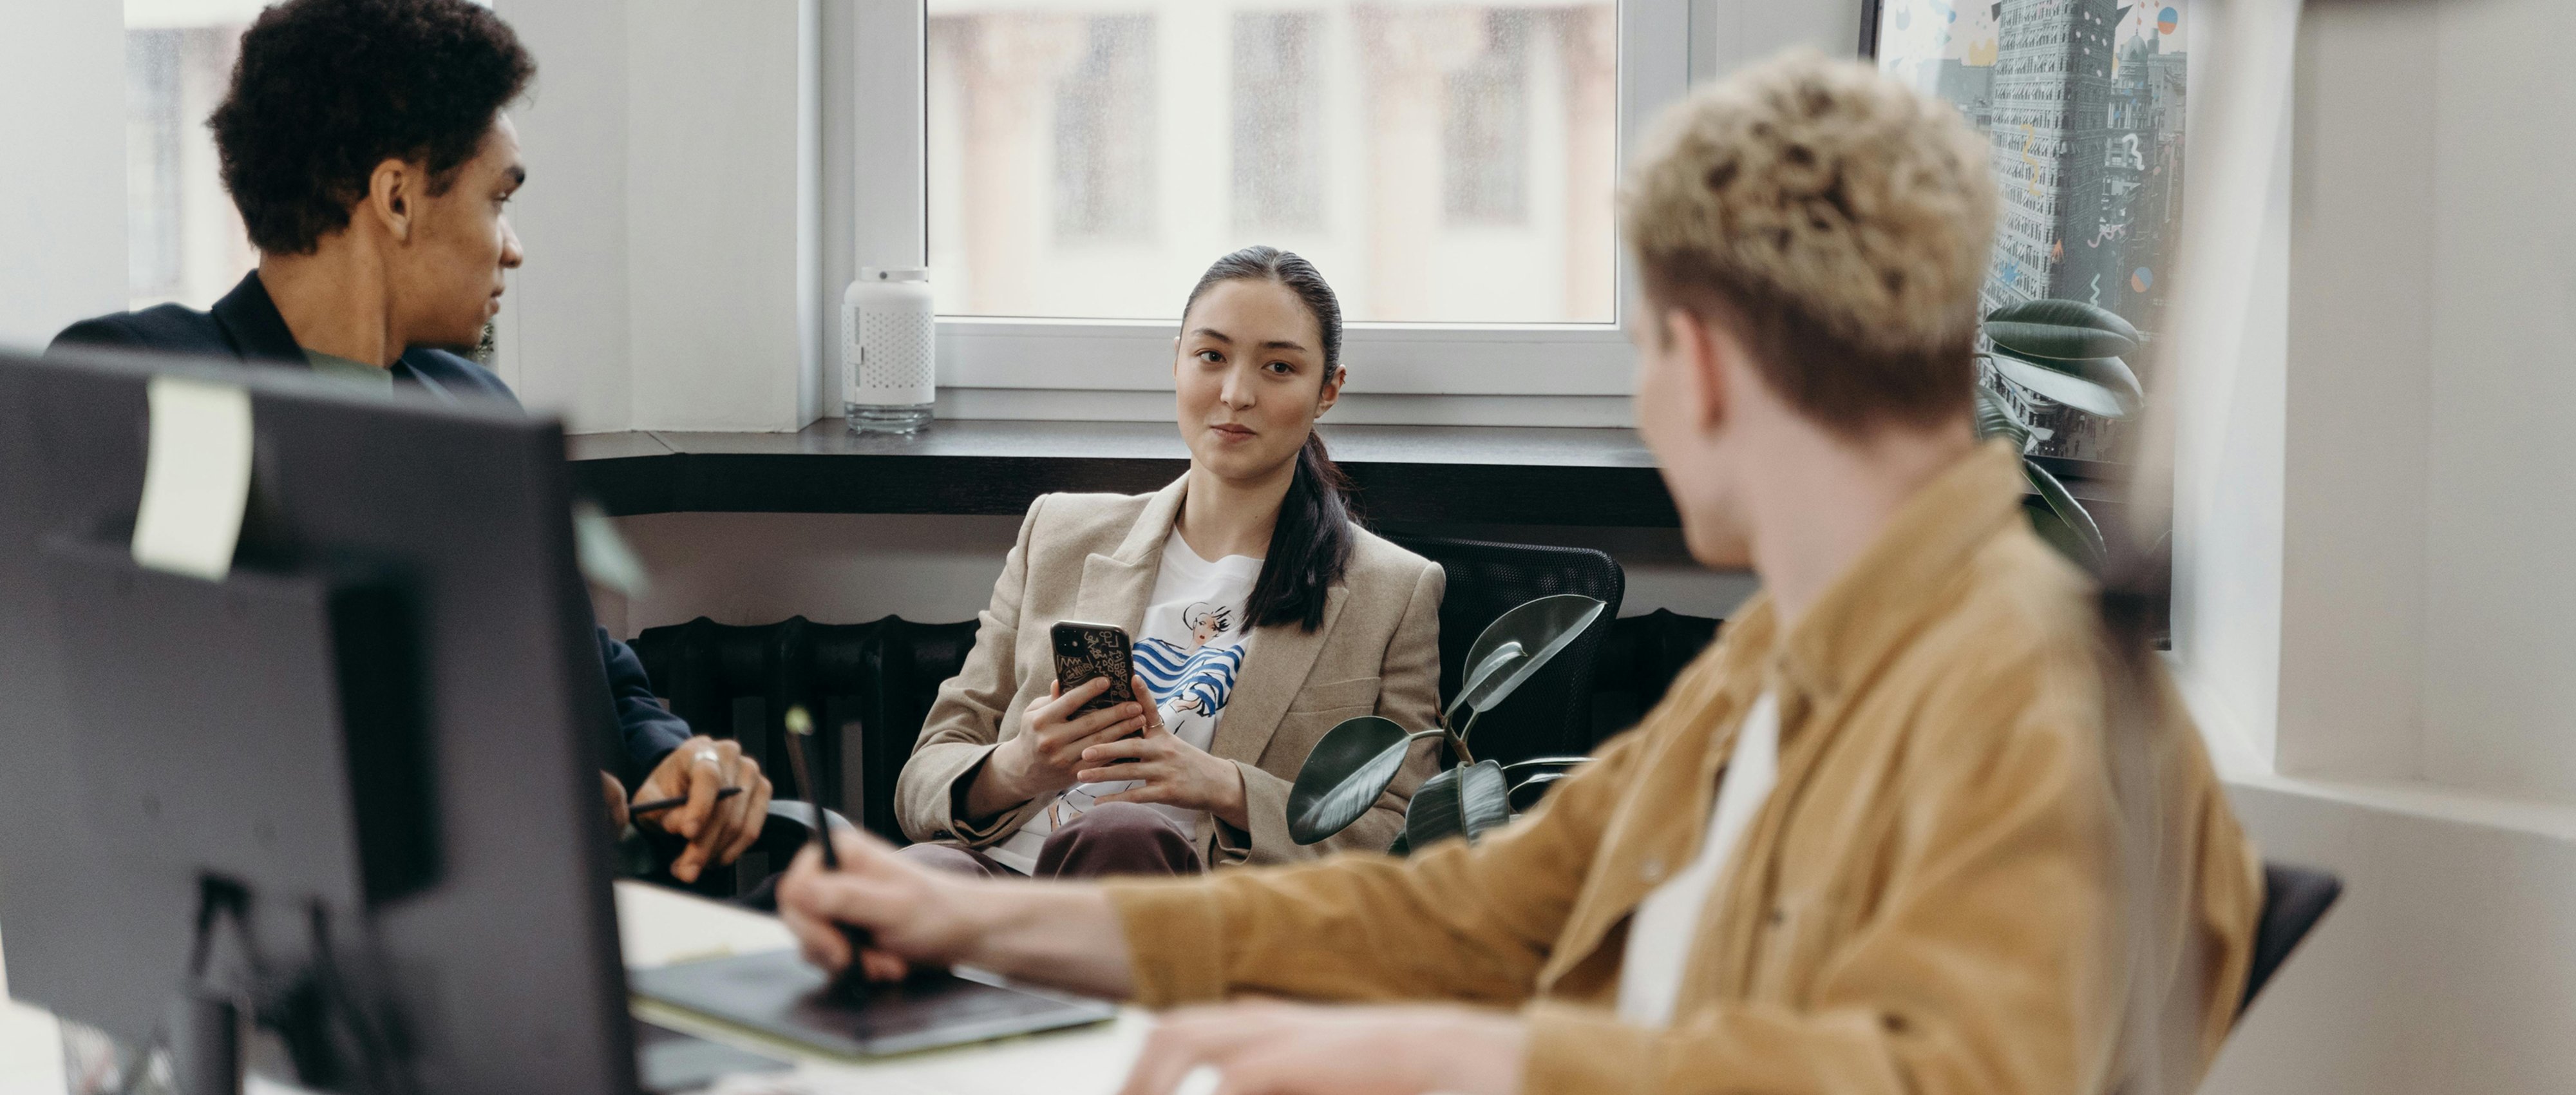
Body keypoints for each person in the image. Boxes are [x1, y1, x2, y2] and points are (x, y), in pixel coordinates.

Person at [777, 50, 2264, 1095]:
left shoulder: (2021, 689)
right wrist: (986, 919)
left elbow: (1951, 1074)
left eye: (1637, 357)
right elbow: (1470, 913)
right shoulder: (1774, 664)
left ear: (1695, 358)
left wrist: (1465, 1054)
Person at [47, 0, 768, 883]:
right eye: (497, 201)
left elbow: (592, 663)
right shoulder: (172, 393)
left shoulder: (474, 408)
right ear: (395, 198)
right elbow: (178, 724)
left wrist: (669, 755)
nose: (515, 250)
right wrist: (504, 801)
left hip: (584, 928)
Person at [893, 246, 1444, 878]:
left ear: (1328, 391)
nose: (1235, 394)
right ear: (1176, 361)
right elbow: (924, 776)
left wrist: (1222, 785)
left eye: (1278, 367)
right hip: (1000, 872)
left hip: (1182, 909)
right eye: (1211, 356)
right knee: (873, 889)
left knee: (1123, 834)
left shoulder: (1392, 592)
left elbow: (1401, 832)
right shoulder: (1058, 533)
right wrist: (1019, 765)